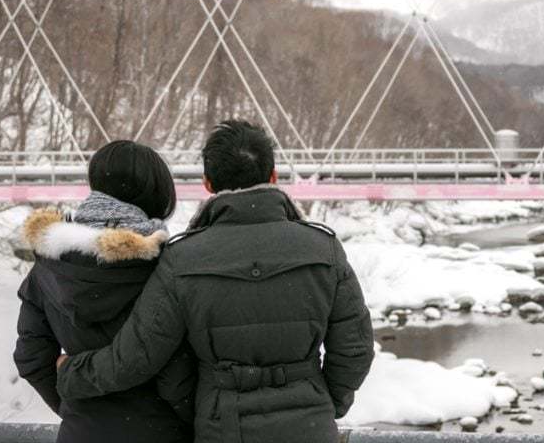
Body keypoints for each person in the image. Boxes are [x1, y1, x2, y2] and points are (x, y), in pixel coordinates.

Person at [56, 120, 375, 443]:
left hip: (223, 429)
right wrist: (323, 404)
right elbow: (355, 349)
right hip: (310, 430)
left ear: (208, 183)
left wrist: (71, 373)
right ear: (274, 176)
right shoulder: (323, 248)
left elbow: (138, 357)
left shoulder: (183, 258)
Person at [14, 140, 195, 443]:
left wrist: (78, 409)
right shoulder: (164, 267)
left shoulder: (48, 266)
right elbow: (176, 371)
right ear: (157, 192)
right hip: (160, 431)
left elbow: (31, 358)